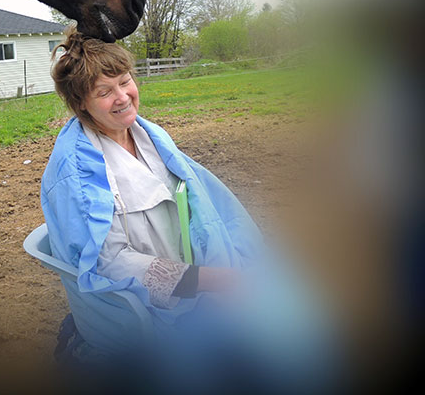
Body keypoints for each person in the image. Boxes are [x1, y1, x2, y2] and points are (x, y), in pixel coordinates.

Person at [40, 27, 340, 394]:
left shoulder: (147, 134)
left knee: (297, 314)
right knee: (268, 342)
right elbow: (109, 263)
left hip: (196, 277)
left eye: (125, 81)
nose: (122, 98)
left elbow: (203, 201)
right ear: (81, 103)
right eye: (104, 92)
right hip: (155, 306)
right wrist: (208, 280)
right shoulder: (78, 174)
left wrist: (228, 264)